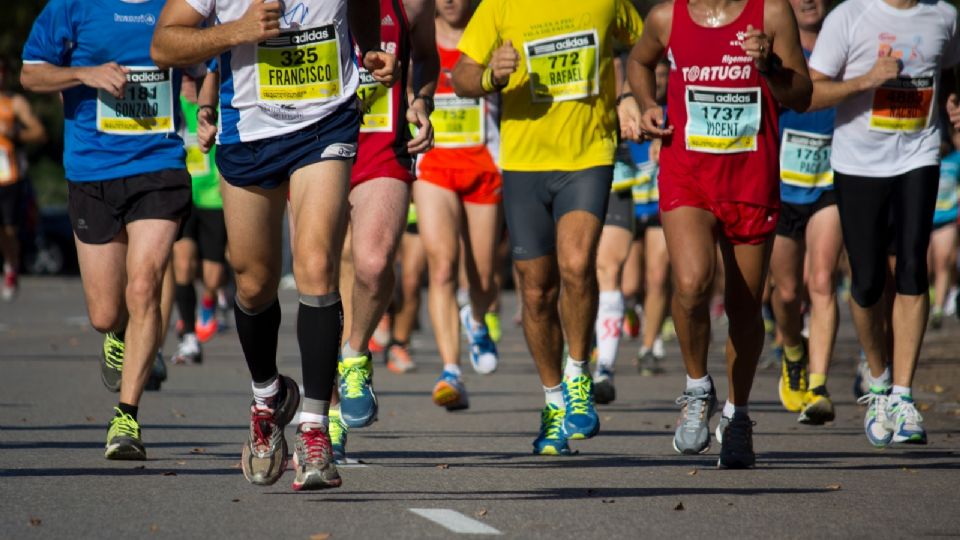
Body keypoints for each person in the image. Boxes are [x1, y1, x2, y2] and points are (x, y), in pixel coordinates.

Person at [152, 0, 398, 490]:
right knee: (253, 280)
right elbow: (163, 43)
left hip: (325, 120)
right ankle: (267, 400)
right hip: (249, 130)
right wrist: (236, 31)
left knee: (316, 263)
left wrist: (368, 45)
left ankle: (313, 428)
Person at [454, 0, 644, 455]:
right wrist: (490, 77)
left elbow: (644, 47)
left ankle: (579, 375)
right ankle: (554, 401)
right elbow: (462, 74)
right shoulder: (500, 6)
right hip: (524, 164)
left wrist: (631, 95)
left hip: (590, 155)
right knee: (536, 290)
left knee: (577, 263)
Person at [628, 0, 812, 468]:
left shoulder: (771, 13)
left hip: (750, 176)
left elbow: (802, 94)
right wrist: (648, 104)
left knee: (745, 306)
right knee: (690, 283)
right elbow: (639, 60)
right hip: (686, 170)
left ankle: (738, 414)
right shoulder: (668, 17)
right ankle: (696, 391)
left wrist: (768, 65)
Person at [22, 0, 193, 460]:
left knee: (145, 285)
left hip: (159, 165)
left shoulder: (176, 6)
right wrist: (86, 74)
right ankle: (116, 335)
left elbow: (206, 60)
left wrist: (209, 105)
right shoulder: (72, 6)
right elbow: (31, 74)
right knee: (104, 313)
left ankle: (127, 418)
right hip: (92, 171)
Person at [808, 0, 960, 447]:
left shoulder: (945, 17)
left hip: (919, 154)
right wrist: (867, 80)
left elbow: (945, 68)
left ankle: (903, 394)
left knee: (913, 266)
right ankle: (877, 383)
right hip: (859, 163)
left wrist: (951, 104)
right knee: (869, 280)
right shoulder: (850, 17)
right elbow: (814, 92)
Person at [331, 0, 438, 461]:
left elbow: (428, 55)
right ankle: (327, 412)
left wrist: (421, 99)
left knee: (373, 264)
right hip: (315, 145)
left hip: (382, 149)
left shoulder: (412, 4)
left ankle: (355, 355)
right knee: (323, 281)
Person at [413, 0, 502, 411]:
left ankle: (478, 319)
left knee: (483, 274)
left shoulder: (491, 31)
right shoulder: (419, 33)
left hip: (484, 164)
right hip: (433, 164)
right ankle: (450, 369)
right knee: (443, 263)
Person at [768, 0, 842, 425]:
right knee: (789, 293)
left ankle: (817, 385)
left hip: (829, 180)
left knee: (821, 280)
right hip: (780, 185)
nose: (809, 0)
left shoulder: (845, 45)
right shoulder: (775, 51)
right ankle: (793, 351)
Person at [592, 55, 644, 404]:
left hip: (616, 181)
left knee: (608, 269)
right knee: (575, 274)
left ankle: (604, 369)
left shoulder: (617, 64)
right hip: (566, 178)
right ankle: (578, 358)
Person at [171, 70, 229, 364]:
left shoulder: (214, 107)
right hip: (182, 196)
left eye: (194, 80)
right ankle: (189, 333)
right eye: (185, 80)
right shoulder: (172, 108)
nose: (189, 85)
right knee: (182, 262)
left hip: (213, 199)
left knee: (213, 274)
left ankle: (208, 302)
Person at [0, 58, 46, 302]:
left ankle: (10, 267)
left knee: (9, 230)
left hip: (8, 177)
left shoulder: (14, 103)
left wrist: (15, 133)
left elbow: (39, 132)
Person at [928, 128, 960, 330]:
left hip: (947, 218)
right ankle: (929, 299)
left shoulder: (956, 159)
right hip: (923, 218)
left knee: (943, 262)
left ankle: (938, 308)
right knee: (925, 266)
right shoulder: (924, 158)